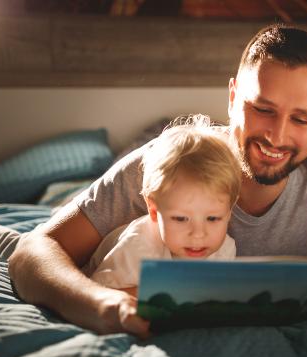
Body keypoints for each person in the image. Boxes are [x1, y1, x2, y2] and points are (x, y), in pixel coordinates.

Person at [2, 25, 307, 338]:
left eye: (300, 119)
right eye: (262, 109)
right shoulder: (173, 160)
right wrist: (100, 303)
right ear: (231, 98)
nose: (277, 136)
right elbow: (32, 251)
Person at [85, 116, 240, 295]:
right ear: (153, 210)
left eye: (212, 218)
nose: (198, 234)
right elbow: (98, 294)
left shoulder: (224, 249)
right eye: (181, 219)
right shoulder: (137, 247)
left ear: (229, 211)